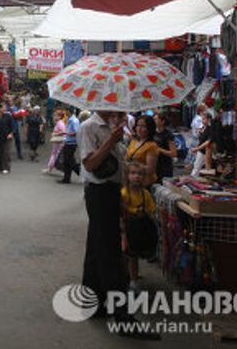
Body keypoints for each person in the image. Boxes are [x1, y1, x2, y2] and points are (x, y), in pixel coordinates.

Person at [80, 110, 143, 330]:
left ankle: (93, 303)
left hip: (113, 191)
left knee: (96, 248)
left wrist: (124, 195)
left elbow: (121, 165)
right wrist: (111, 140)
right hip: (98, 192)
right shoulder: (89, 127)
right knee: (111, 251)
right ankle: (122, 314)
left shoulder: (115, 128)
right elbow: (90, 164)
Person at [121, 161, 157, 292]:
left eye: (140, 174)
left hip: (140, 228)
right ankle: (132, 280)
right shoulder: (124, 193)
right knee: (129, 255)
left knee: (134, 255)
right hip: (129, 228)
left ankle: (132, 276)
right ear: (127, 176)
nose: (137, 176)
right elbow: (122, 215)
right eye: (133, 173)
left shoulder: (145, 193)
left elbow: (152, 209)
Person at [126, 115, 159, 186]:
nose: (139, 129)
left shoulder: (152, 146)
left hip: (144, 183)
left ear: (149, 128)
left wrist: (132, 166)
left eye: (143, 126)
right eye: (138, 125)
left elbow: (150, 169)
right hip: (132, 182)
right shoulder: (133, 141)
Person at [60, 108, 81, 184]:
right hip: (68, 142)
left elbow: (76, 132)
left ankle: (81, 173)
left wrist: (66, 133)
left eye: (66, 111)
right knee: (67, 161)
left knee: (70, 161)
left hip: (71, 143)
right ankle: (66, 178)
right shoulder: (70, 120)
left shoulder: (74, 121)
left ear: (69, 112)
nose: (66, 113)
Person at [153, 113, 177, 181]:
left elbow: (173, 153)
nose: (154, 120)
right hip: (155, 164)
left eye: (156, 119)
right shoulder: (152, 132)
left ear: (162, 121)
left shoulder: (168, 134)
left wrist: (159, 149)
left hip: (165, 166)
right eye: (153, 119)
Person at [45, 109, 67, 175]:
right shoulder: (59, 123)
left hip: (59, 141)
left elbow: (64, 131)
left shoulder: (60, 123)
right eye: (54, 115)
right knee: (55, 154)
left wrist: (55, 134)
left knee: (56, 155)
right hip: (58, 142)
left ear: (60, 116)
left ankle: (50, 168)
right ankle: (50, 168)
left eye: (56, 115)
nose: (54, 117)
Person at [191, 111, 213, 177]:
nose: (202, 121)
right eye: (202, 119)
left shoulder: (210, 129)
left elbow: (207, 142)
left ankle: (191, 181)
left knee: (197, 168)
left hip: (205, 151)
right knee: (197, 166)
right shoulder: (204, 128)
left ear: (209, 119)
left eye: (204, 119)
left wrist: (197, 148)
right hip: (201, 150)